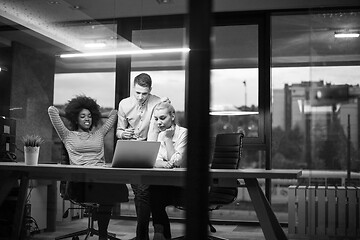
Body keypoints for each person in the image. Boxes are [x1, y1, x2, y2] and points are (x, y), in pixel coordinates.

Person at [48, 95, 129, 240]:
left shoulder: (98, 134)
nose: (87, 119)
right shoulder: (67, 135)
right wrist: (72, 113)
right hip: (81, 181)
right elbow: (52, 110)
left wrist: (96, 113)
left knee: (110, 186)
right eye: (83, 116)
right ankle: (102, 229)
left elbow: (114, 114)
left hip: (101, 177)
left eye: (90, 116)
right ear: (75, 118)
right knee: (106, 191)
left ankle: (102, 233)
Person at [116, 73, 161, 240]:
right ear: (132, 89)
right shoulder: (124, 104)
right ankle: (147, 234)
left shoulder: (157, 102)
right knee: (142, 192)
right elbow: (118, 131)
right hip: (132, 150)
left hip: (152, 149)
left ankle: (143, 235)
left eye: (145, 93)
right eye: (137, 93)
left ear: (150, 90)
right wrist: (123, 134)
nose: (141, 97)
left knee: (144, 192)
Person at [148, 99, 188, 240]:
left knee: (154, 193)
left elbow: (176, 161)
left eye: (162, 118)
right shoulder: (159, 134)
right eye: (156, 119)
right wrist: (163, 163)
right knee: (153, 190)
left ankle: (160, 233)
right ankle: (160, 233)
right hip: (165, 183)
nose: (159, 122)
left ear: (172, 116)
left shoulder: (184, 133)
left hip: (184, 185)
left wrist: (168, 139)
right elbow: (153, 160)